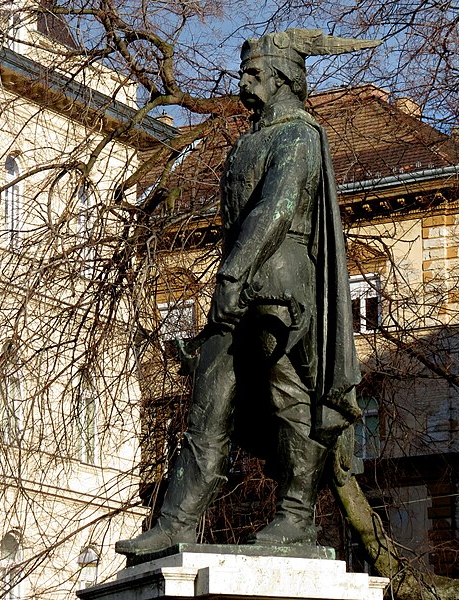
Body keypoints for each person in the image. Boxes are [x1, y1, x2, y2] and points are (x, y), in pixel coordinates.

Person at [116, 29, 380, 557]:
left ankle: (296, 514)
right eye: (244, 71)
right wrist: (230, 278)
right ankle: (176, 521)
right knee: (206, 405)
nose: (243, 82)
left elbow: (276, 210)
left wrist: (232, 274)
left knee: (290, 398)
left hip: (280, 288)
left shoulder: (300, 136)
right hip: (237, 288)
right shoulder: (247, 141)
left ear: (284, 77)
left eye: (255, 73)